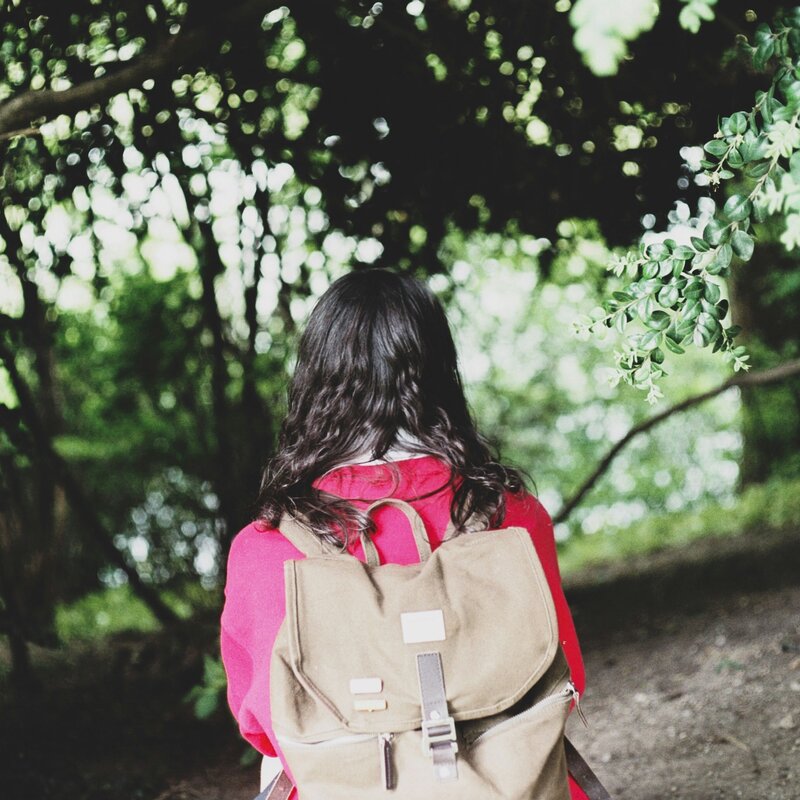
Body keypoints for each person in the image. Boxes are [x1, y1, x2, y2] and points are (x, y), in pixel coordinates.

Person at [220, 268, 589, 799]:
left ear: (314, 379)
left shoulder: (264, 549)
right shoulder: (512, 516)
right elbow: (563, 678)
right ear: (440, 371)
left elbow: (264, 728)